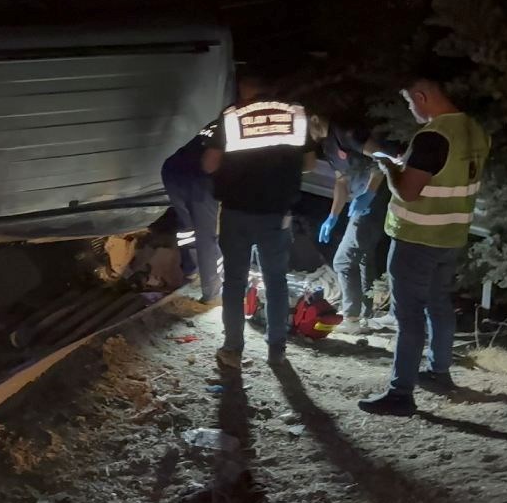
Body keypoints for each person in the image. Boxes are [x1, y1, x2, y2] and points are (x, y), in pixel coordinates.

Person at [358, 77, 490, 416]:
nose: (410, 109)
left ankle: (400, 393)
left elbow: (409, 192)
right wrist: (411, 166)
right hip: (451, 236)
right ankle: (438, 372)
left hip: (417, 238)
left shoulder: (433, 136)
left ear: (421, 96)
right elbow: (447, 175)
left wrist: (389, 167)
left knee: (409, 315)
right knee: (438, 304)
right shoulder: (475, 130)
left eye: (409, 102)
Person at [202, 72, 317, 369]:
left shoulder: (232, 116)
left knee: (235, 281)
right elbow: (308, 164)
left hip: (237, 212)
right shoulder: (296, 114)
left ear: (245, 87)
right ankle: (276, 350)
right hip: (277, 214)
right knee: (276, 280)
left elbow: (211, 163)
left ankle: (233, 350)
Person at [310, 116, 400, 334]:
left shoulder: (343, 131)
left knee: (343, 260)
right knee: (363, 256)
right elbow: (341, 181)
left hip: (377, 198)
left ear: (314, 118)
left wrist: (369, 192)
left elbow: (381, 158)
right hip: (362, 198)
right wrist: (332, 217)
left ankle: (350, 318)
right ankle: (363, 316)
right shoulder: (327, 146)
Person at [161, 100, 225, 305]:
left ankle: (190, 270)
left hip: (172, 169)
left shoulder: (217, 123)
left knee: (188, 227)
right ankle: (212, 291)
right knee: (207, 236)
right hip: (200, 179)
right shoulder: (240, 129)